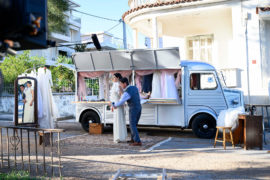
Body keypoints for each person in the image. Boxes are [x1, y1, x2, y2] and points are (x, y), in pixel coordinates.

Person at [111, 77, 142, 146]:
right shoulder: (134, 87)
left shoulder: (127, 92)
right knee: (134, 124)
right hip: (139, 107)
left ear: (125, 84)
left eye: (121, 84)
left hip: (133, 108)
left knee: (132, 125)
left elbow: (121, 102)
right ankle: (133, 139)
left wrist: (113, 104)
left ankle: (137, 141)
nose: (120, 86)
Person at [110, 73, 127, 143]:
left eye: (114, 77)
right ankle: (117, 136)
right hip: (115, 103)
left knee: (119, 119)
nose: (113, 78)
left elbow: (121, 95)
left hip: (118, 104)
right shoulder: (114, 85)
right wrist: (112, 104)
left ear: (117, 78)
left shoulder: (118, 85)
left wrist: (119, 103)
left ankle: (119, 137)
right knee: (116, 120)